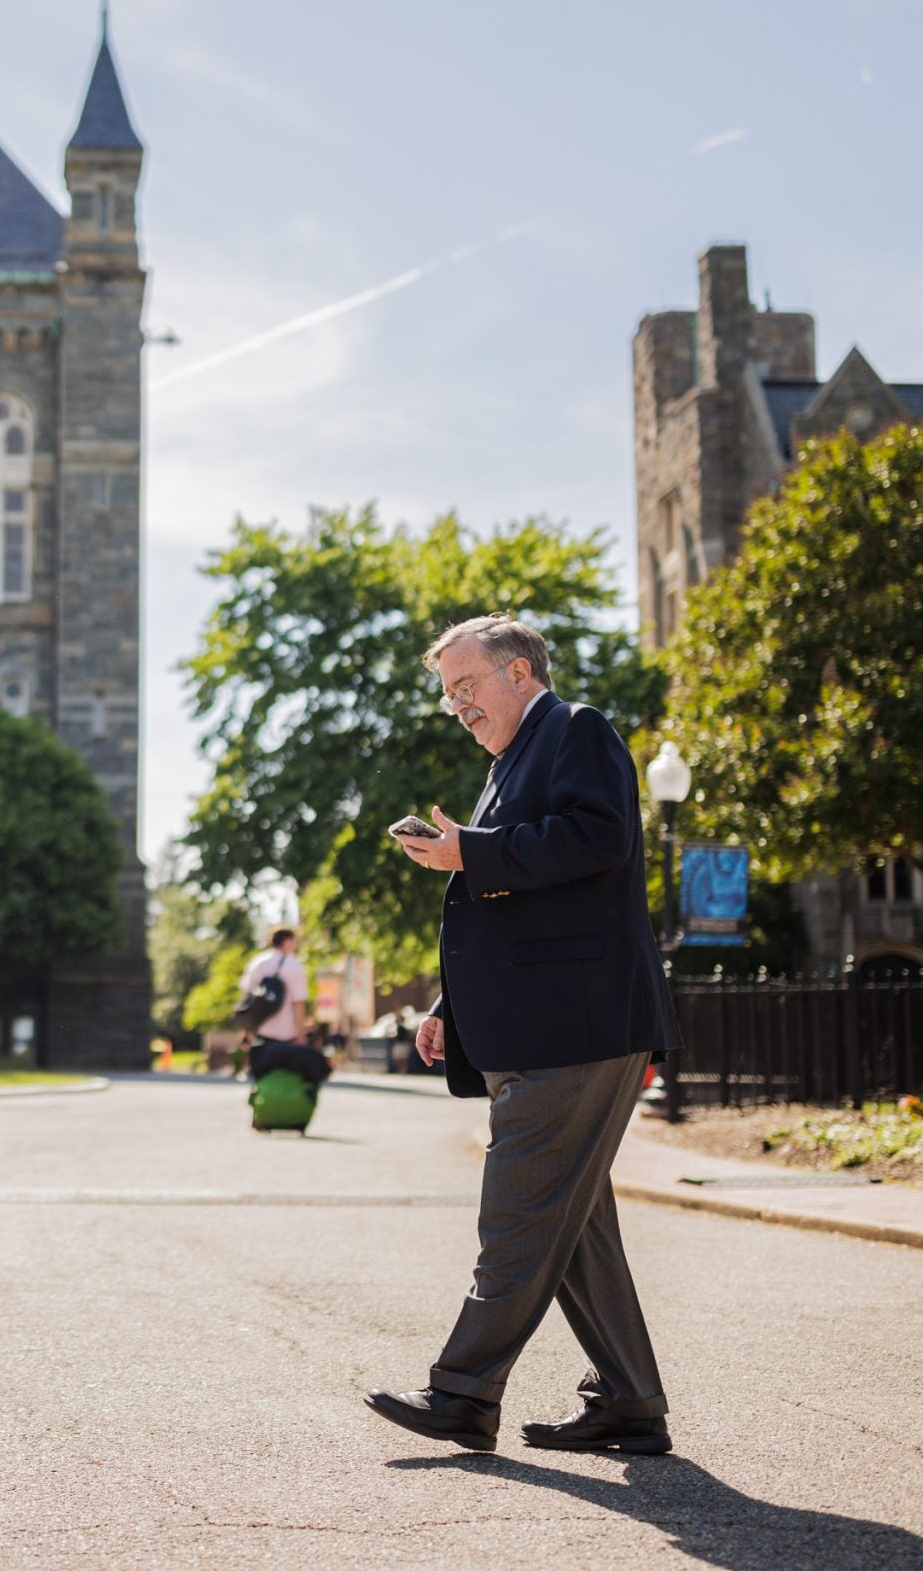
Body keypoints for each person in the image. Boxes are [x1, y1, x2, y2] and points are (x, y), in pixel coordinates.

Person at [363, 614, 682, 1457]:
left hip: (576, 1028)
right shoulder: (507, 765)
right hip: (542, 1025)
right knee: (571, 1227)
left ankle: (463, 1393)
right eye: (449, 697)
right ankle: (631, 1402)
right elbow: (512, 909)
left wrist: (472, 854)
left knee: (517, 1215)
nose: (459, 708)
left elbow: (597, 840)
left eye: (467, 688)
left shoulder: (576, 730)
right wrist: (448, 1006)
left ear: (519, 673)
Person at [240, 928, 328, 1087]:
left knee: (263, 1079)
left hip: (261, 1034)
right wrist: (301, 1034)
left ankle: (264, 1106)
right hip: (288, 1034)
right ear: (287, 941)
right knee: (291, 1078)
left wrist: (246, 1032)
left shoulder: (257, 963)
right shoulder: (293, 965)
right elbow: (298, 1003)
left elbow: (247, 1001)